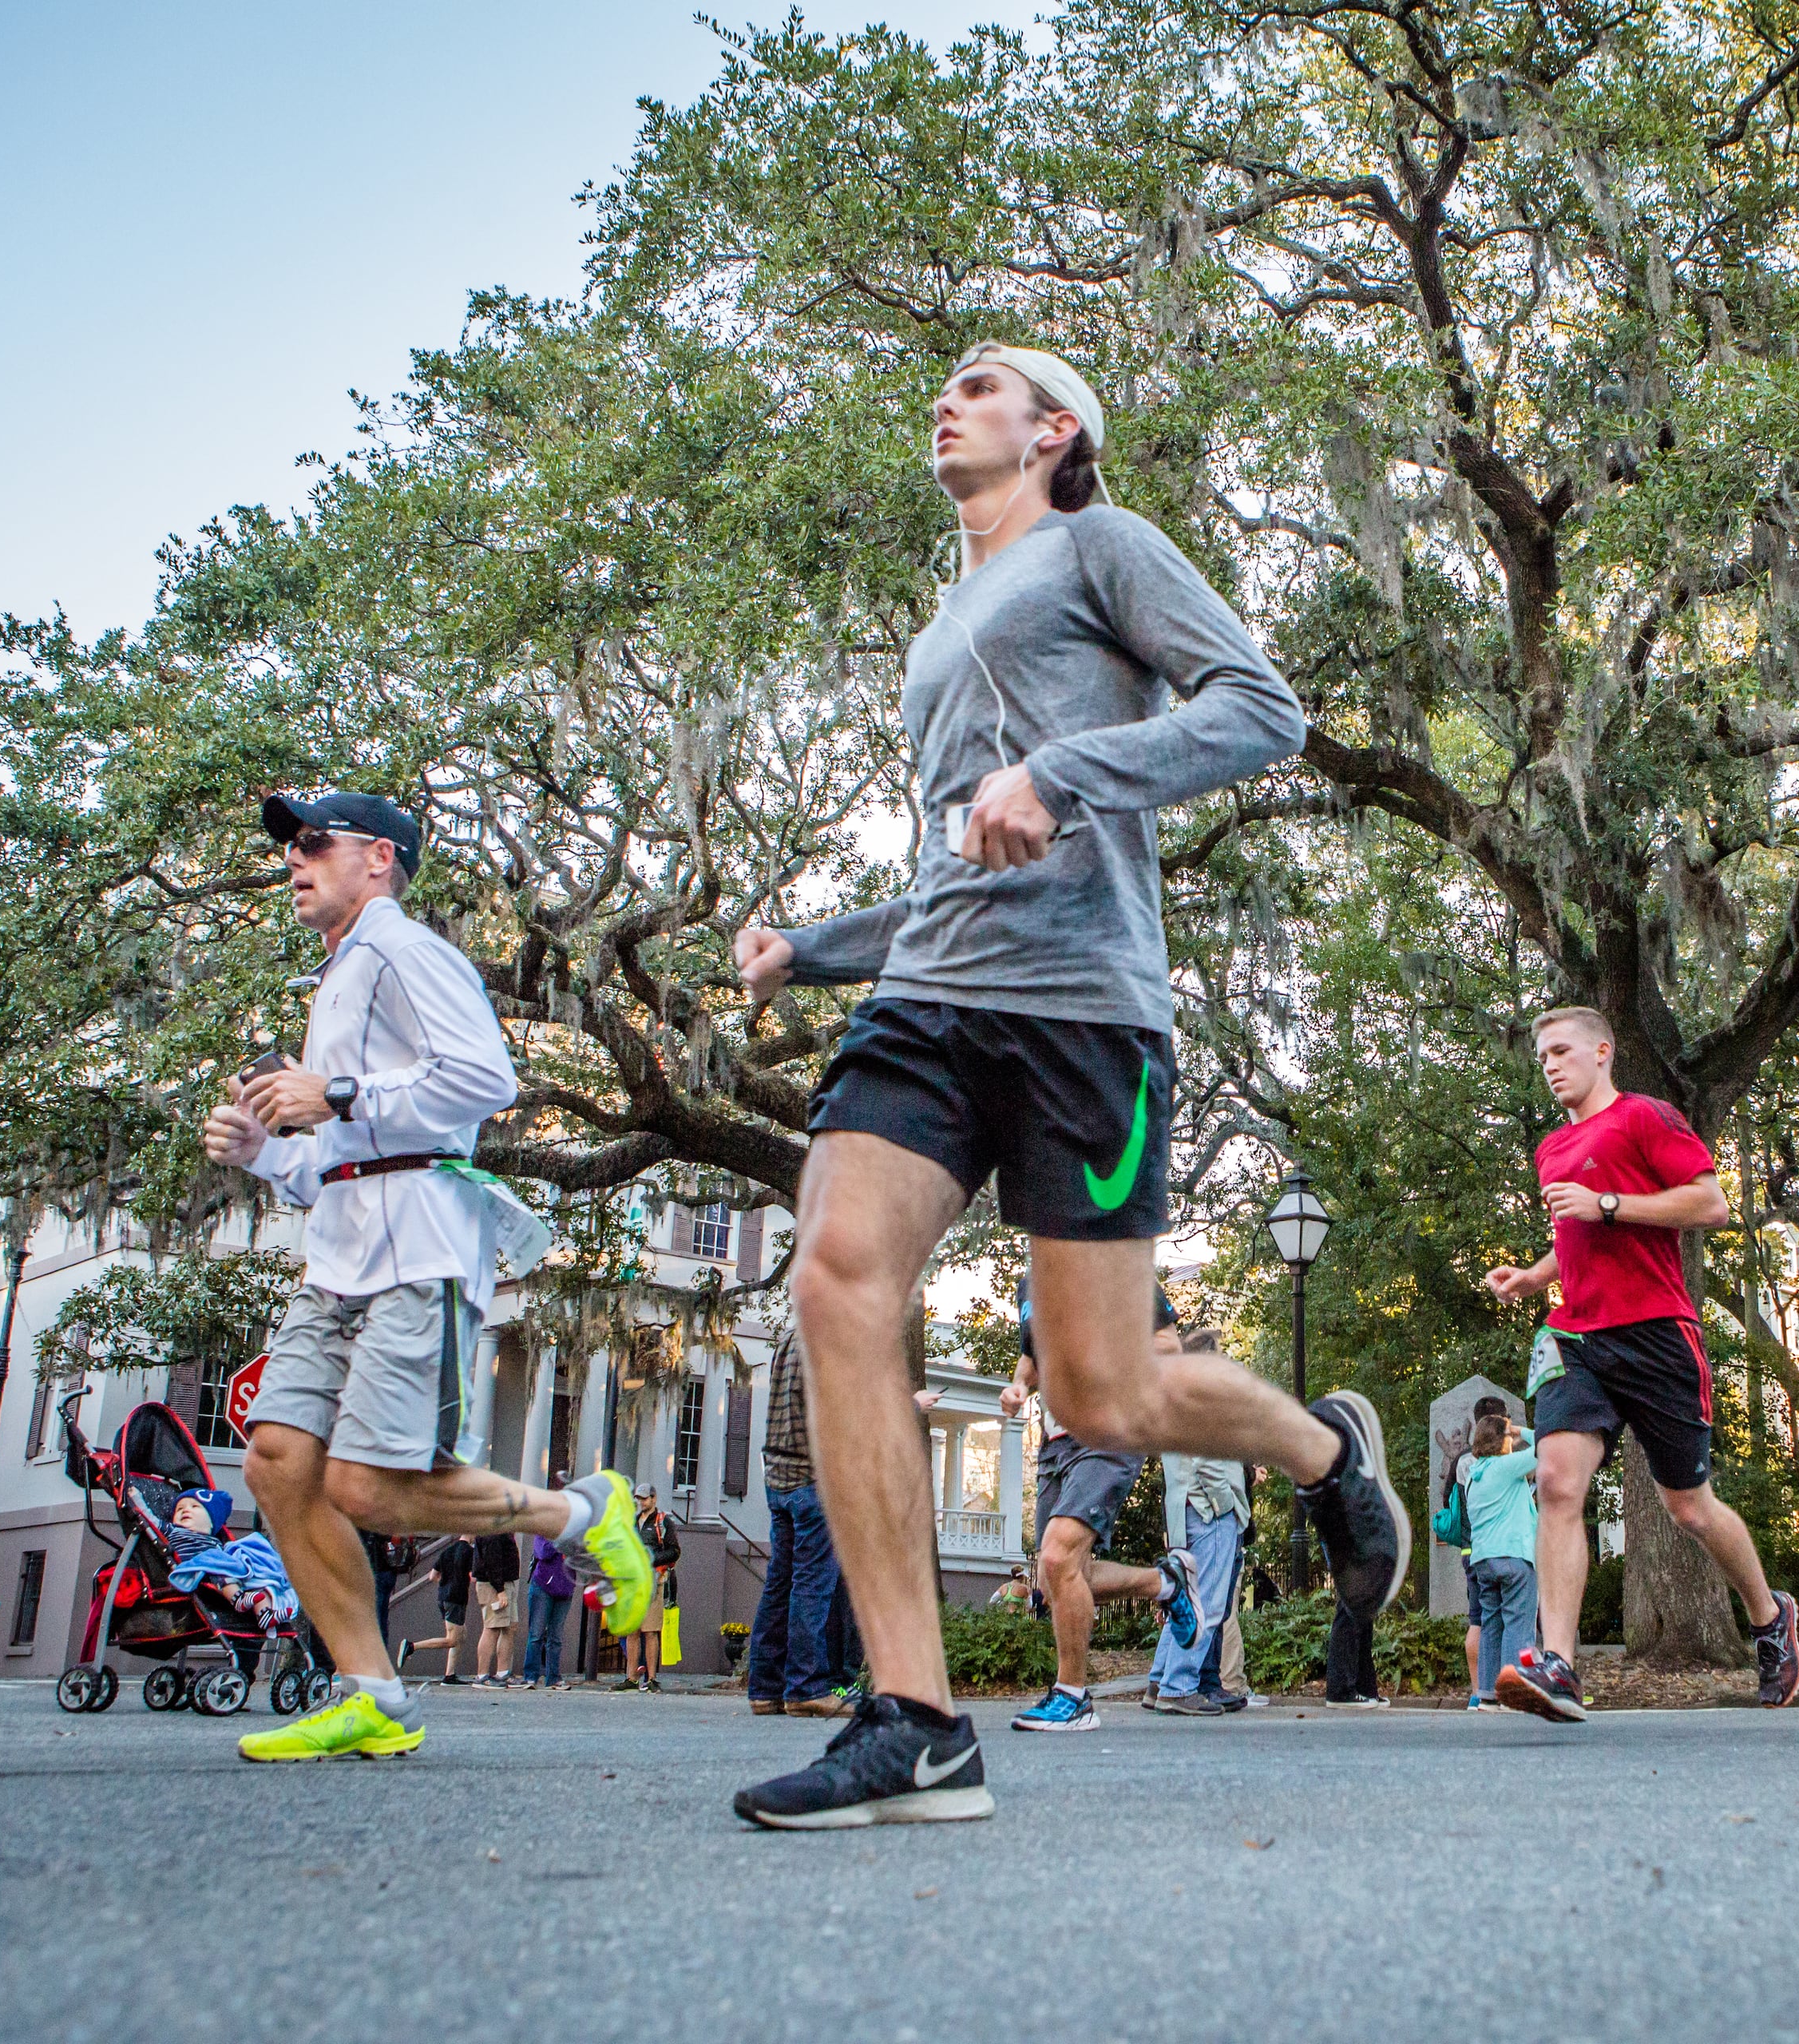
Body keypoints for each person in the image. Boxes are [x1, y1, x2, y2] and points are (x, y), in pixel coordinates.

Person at [725, 342, 1401, 1829]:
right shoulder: (940, 624)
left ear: (1055, 426)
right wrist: (819, 950)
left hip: (1087, 1018)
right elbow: (948, 869)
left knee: (1105, 1388)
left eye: (984, 378)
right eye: (946, 382)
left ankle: (1321, 1449)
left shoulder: (1102, 543)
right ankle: (914, 1717)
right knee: (838, 1276)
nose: (949, 395)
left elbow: (1261, 710)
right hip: (928, 1004)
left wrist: (1067, 773)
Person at [200, 790, 655, 1761]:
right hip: (340, 1251)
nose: (295, 857)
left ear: (378, 857)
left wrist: (340, 1090)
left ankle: (582, 1512)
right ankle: (371, 1692)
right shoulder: (337, 978)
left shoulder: (409, 951)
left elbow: (483, 1079)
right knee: (280, 1460)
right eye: (290, 844)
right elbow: (338, 1156)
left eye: (314, 842)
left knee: (368, 1484)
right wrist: (263, 1154)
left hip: (420, 1248)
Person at [1484, 1007, 1799, 1721]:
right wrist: (1535, 1277)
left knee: (1688, 1507)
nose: (1551, 1064)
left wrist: (1607, 1203)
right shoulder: (1551, 1149)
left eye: (1562, 1051)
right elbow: (1576, 1242)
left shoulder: (1645, 1118)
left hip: (1658, 1334)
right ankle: (1559, 1667)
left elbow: (1711, 1204)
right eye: (1542, 1057)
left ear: (1602, 1052)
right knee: (1559, 1483)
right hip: (1577, 1337)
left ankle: (1768, 1616)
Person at [1006, 1278, 1200, 1731]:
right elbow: (1034, 1360)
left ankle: (1073, 1697)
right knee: (1053, 1583)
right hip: (1055, 1444)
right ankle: (1163, 1582)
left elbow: (1168, 1346)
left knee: (1059, 1555)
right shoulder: (1032, 1282)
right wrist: (1019, 1387)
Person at [751, 1334, 862, 1717]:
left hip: (778, 1479)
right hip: (814, 1481)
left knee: (779, 1584)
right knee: (812, 1587)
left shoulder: (788, 1340)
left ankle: (765, 1689)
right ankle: (806, 1688)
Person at [1148, 1334, 1255, 1716]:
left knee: (1185, 1600)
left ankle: (1160, 1680)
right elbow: (1209, 1463)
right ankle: (1178, 1687)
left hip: (1184, 1510)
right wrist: (1227, 1507)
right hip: (1209, 1512)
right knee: (1207, 1604)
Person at [1452, 1412, 1538, 1710]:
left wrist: (1509, 1432)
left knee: (1491, 1623)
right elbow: (1548, 1447)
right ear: (1500, 1441)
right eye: (1508, 1437)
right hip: (1514, 1556)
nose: (1512, 1442)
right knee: (1518, 1622)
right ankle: (1513, 1695)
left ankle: (1488, 1692)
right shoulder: (1505, 1467)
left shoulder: (1474, 1476)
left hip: (1483, 1561)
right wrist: (1522, 1431)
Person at [1436, 1393, 1512, 1695]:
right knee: (1512, 1621)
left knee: (1478, 1621)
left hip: (1472, 1550)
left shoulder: (1461, 1461)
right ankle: (1509, 1688)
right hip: (1508, 1549)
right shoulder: (1509, 1459)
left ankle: (1479, 1691)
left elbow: (1449, 1503)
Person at [617, 1489, 682, 1692]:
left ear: (654, 1498)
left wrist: (651, 1559)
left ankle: (652, 1678)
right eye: (638, 1498)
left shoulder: (663, 1522)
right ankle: (632, 1677)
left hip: (654, 1581)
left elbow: (674, 1551)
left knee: (651, 1631)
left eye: (645, 1498)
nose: (641, 1502)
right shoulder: (633, 1522)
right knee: (632, 1631)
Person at [402, 1536, 476, 1686]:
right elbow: (472, 1577)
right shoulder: (469, 1551)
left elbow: (432, 1576)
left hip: (443, 1597)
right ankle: (412, 1646)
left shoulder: (447, 1551)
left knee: (461, 1634)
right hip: (457, 1598)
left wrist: (445, 1583)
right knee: (452, 1640)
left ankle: (450, 1675)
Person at [522, 1534, 576, 1689]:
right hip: (542, 1585)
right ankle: (530, 1677)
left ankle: (553, 1678)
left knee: (556, 1637)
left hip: (565, 1587)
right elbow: (543, 1552)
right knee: (536, 1634)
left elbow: (581, 1556)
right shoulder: (544, 1531)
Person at [471, 1532, 521, 1686]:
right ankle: (482, 1675)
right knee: (492, 1628)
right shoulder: (493, 1530)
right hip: (494, 1585)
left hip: (506, 1581)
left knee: (510, 1627)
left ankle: (503, 1672)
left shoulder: (501, 1527)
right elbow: (492, 1560)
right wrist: (500, 1590)